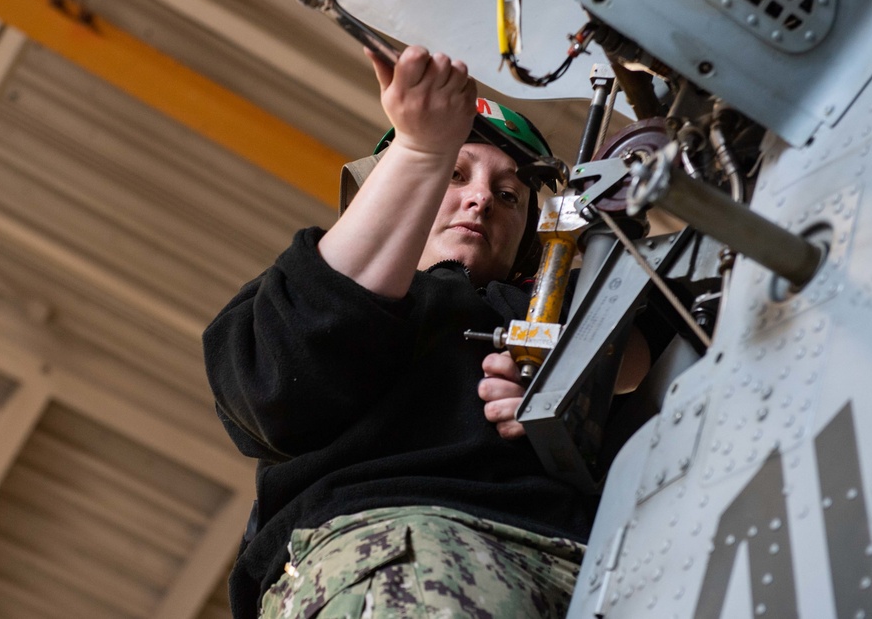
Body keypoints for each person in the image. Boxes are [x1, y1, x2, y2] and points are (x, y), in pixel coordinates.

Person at [203, 45, 651, 619]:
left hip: (605, 576)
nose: (482, 197)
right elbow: (276, 385)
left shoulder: (550, 308)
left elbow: (671, 348)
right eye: (454, 173)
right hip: (408, 555)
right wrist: (420, 148)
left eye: (509, 194)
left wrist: (576, 385)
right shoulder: (299, 297)